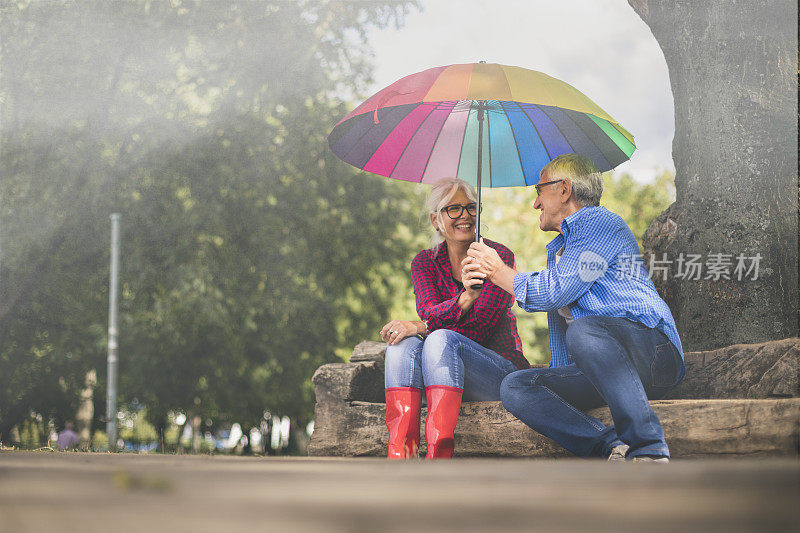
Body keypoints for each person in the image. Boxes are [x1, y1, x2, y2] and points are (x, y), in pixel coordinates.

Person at [466, 154, 684, 463]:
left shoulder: (598, 223)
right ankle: (610, 448)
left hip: (653, 356)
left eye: (539, 191)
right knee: (516, 385)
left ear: (564, 190)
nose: (535, 203)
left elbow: (555, 292)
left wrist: (499, 272)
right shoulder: (560, 251)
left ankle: (648, 447)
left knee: (585, 328)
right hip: (606, 371)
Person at [380, 177, 530, 459]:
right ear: (436, 220)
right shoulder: (424, 262)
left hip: (496, 374)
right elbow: (428, 311)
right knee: (400, 345)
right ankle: (401, 455)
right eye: (453, 209)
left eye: (471, 208)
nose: (465, 216)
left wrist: (426, 326)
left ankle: (439, 457)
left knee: (438, 338)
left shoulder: (498, 257)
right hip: (442, 378)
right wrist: (464, 299)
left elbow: (479, 329)